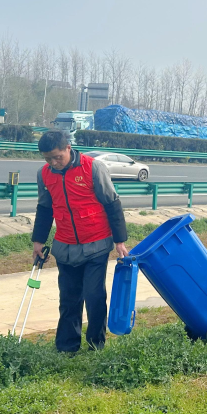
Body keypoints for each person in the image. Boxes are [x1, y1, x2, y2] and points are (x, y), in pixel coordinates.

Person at [31, 130, 129, 354]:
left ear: (68, 148)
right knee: (68, 299)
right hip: (65, 246)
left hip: (96, 243)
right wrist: (38, 241)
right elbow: (45, 208)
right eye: (48, 159)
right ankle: (67, 347)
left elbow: (112, 203)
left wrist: (120, 241)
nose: (54, 163)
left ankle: (96, 345)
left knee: (94, 297)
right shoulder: (44, 174)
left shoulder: (92, 168)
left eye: (58, 157)